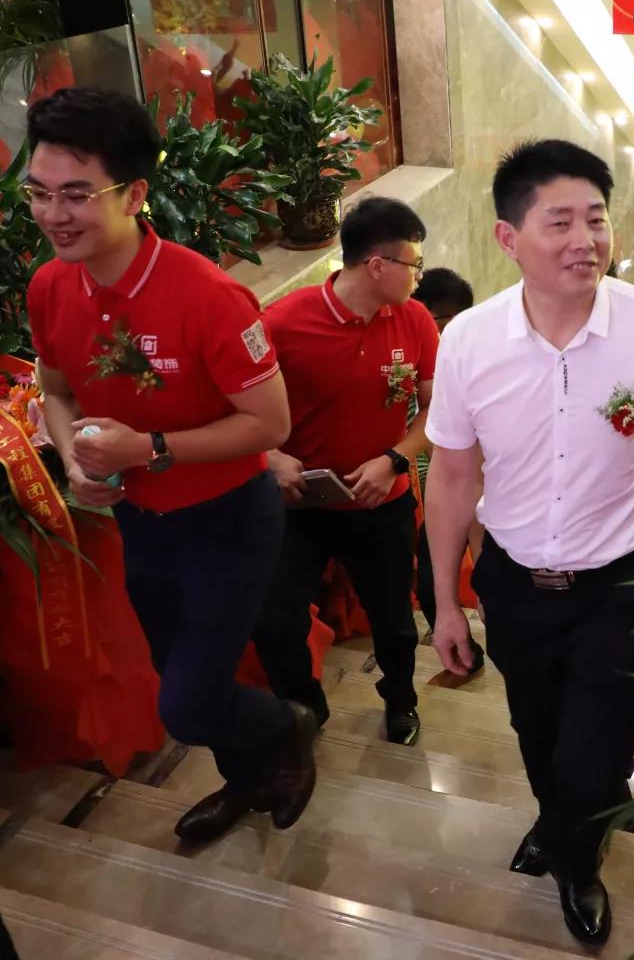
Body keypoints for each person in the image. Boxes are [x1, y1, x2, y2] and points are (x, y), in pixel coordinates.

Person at [424, 139, 634, 946]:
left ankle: (576, 858)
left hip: (622, 577)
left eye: (597, 219)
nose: (586, 240)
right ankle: (569, 815)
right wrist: (444, 601)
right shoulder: (468, 341)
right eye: (560, 222)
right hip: (514, 578)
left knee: (598, 739)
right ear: (508, 238)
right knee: (536, 726)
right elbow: (451, 477)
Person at [25, 88, 316, 844]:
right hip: (141, 519)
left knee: (185, 706)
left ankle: (287, 725)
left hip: (227, 521)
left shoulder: (208, 296)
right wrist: (74, 457)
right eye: (38, 193)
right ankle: (250, 779)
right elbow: (56, 390)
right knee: (182, 675)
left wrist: (149, 449)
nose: (54, 214)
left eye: (77, 194)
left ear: (135, 193)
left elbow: (270, 424)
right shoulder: (51, 285)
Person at [253, 199, 438, 748]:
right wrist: (269, 457)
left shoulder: (415, 320)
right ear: (377, 264)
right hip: (299, 503)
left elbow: (439, 410)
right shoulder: (283, 322)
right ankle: (305, 709)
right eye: (415, 263)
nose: (419, 275)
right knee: (274, 617)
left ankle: (400, 697)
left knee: (395, 620)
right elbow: (233, 403)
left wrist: (394, 460)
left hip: (381, 501)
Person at [411, 267, 484, 673]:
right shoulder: (417, 357)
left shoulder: (474, 361)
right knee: (431, 586)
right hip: (427, 496)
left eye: (430, 321)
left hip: (472, 494)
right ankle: (463, 651)